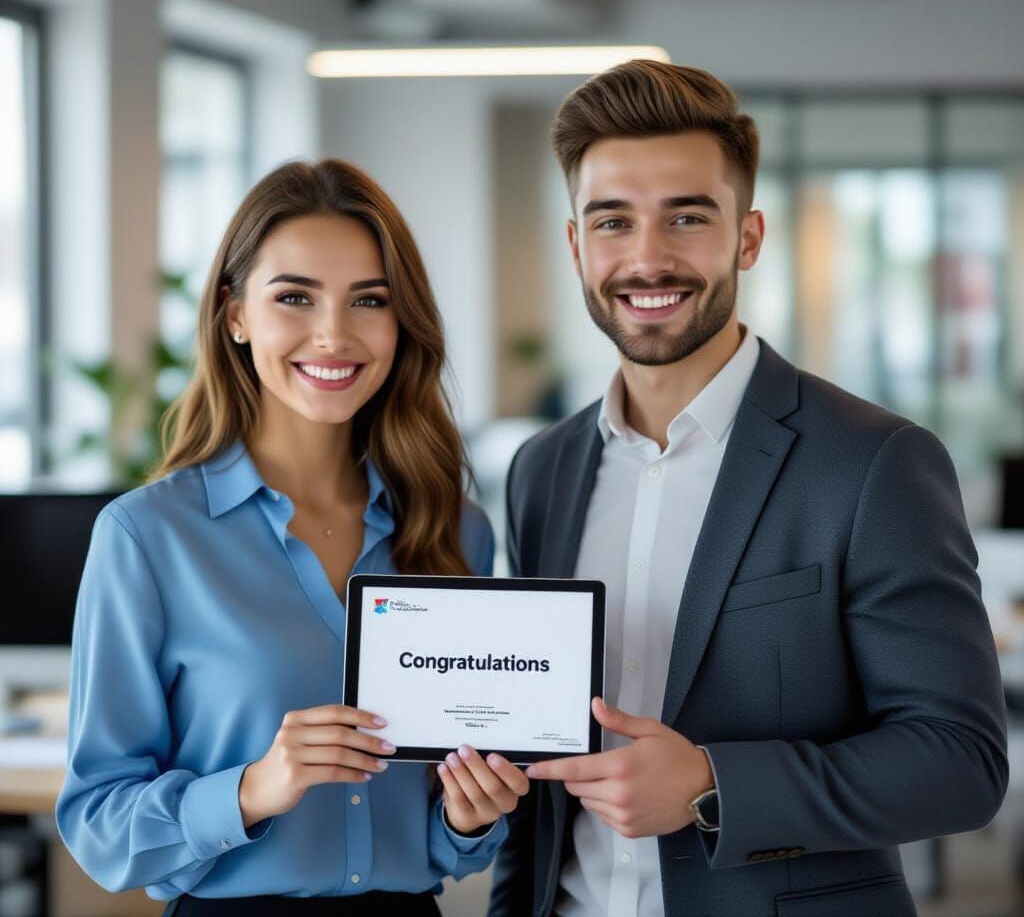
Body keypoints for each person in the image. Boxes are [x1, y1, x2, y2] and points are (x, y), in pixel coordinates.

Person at [488, 61, 1007, 917]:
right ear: (577, 245)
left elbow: (960, 762)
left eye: (687, 217)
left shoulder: (873, 462)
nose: (647, 257)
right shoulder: (542, 469)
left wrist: (709, 783)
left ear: (749, 237)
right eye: (612, 221)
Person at [57, 159, 529, 916]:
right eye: (295, 298)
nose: (333, 335)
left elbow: (444, 839)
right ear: (235, 315)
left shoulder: (455, 532)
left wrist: (469, 815)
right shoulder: (147, 538)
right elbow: (98, 822)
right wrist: (251, 788)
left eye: (368, 300)